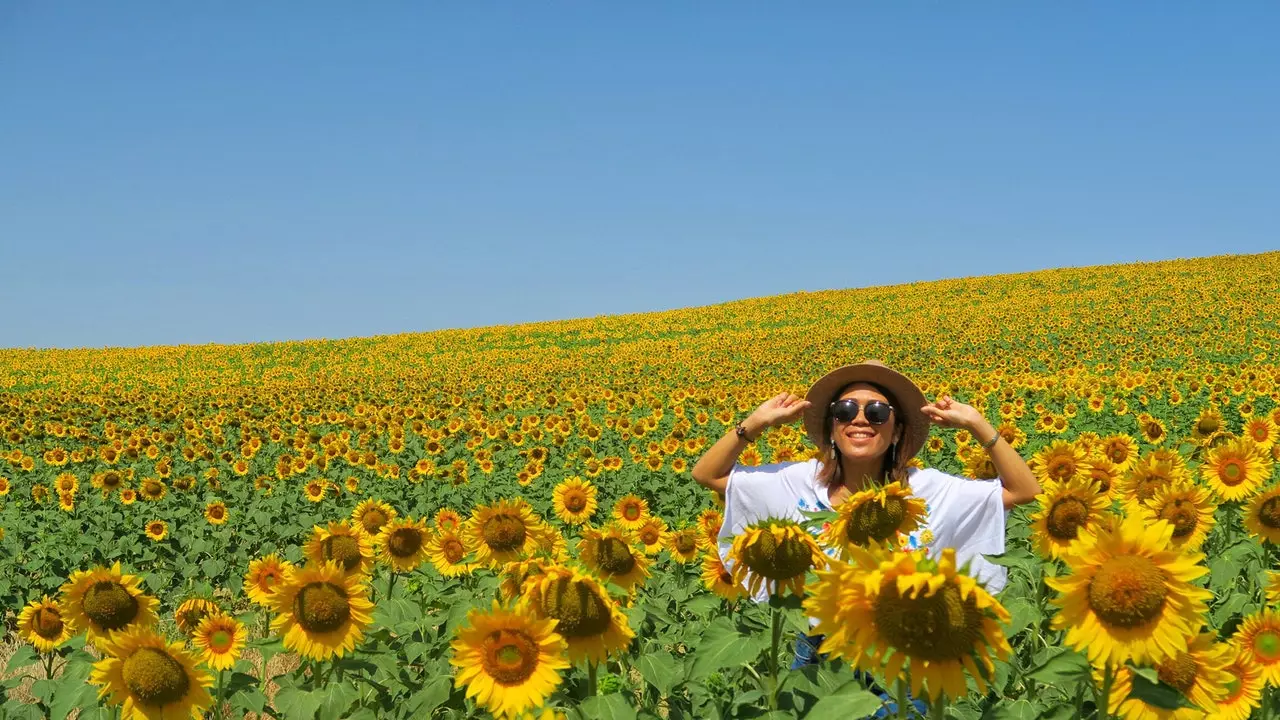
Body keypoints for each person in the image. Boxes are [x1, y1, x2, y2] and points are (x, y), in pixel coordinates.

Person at [691, 359, 1040, 717]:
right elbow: (707, 474)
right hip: (819, 652)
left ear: (898, 430)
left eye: (876, 411)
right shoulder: (798, 481)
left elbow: (1024, 490)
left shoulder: (928, 489)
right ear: (831, 427)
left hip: (901, 654)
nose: (859, 419)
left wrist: (977, 423)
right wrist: (755, 423)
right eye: (844, 410)